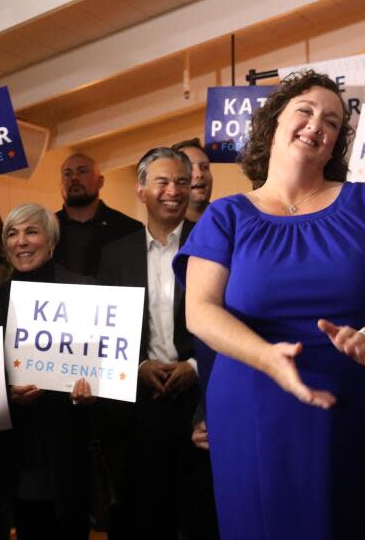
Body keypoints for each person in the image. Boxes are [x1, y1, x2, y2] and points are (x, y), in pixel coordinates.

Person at [173, 70, 365, 539]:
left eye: (332, 122)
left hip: (362, 404)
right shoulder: (225, 216)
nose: (318, 125)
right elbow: (201, 310)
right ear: (273, 122)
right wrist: (265, 357)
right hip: (255, 408)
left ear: (336, 143)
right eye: (306, 111)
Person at [97, 147, 215, 540]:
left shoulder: (214, 245)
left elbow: (231, 319)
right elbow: (105, 333)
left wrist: (195, 366)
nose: (174, 190)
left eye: (182, 181)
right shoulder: (114, 256)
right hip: (139, 408)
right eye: (162, 181)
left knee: (201, 516)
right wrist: (139, 368)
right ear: (141, 190)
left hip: (202, 406)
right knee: (144, 517)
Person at [0, 203, 95, 540]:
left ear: (51, 242)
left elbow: (102, 368)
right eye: (12, 233)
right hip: (19, 448)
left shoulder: (84, 293)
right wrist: (7, 394)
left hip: (69, 444)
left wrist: (90, 392)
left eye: (31, 231)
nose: (21, 241)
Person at [54, 153, 142, 276]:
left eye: (82, 171)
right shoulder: (45, 229)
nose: (74, 178)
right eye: (67, 173)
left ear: (100, 181)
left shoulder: (130, 230)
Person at [171, 138, 213, 223]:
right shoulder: (164, 228)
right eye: (189, 168)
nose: (199, 174)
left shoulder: (227, 221)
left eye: (204, 167)